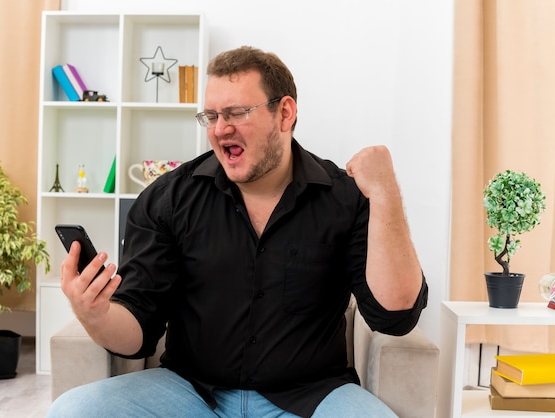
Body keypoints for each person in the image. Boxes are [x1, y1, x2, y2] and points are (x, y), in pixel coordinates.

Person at [47, 46, 428, 418]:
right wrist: (94, 313)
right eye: (211, 116)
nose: (220, 128)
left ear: (285, 113)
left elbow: (395, 318)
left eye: (236, 113)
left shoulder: (345, 197)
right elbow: (138, 333)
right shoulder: (168, 199)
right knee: (72, 410)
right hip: (189, 393)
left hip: (312, 396)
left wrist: (385, 193)